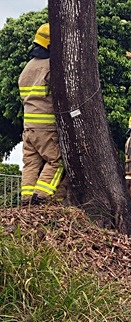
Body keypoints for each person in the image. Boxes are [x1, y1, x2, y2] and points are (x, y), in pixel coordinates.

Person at [18, 23, 65, 205]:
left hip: (28, 128)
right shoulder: (52, 67)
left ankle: (26, 198)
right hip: (47, 128)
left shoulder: (27, 68)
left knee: (30, 164)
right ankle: (40, 197)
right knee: (58, 162)